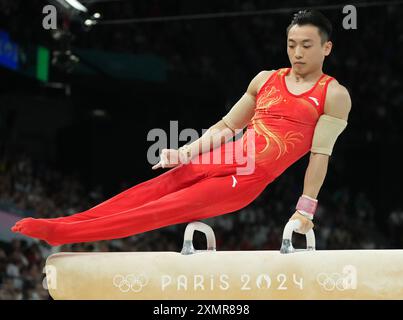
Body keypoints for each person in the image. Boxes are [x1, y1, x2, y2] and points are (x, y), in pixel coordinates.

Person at [11, 10, 351, 246]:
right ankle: (66, 224)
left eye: (306, 45)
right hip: (224, 154)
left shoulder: (333, 95)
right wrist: (184, 150)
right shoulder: (264, 80)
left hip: (246, 178)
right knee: (144, 193)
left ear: (326, 47)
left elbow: (319, 156)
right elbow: (227, 125)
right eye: (292, 44)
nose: (297, 52)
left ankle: (62, 234)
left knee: (159, 210)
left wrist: (304, 211)